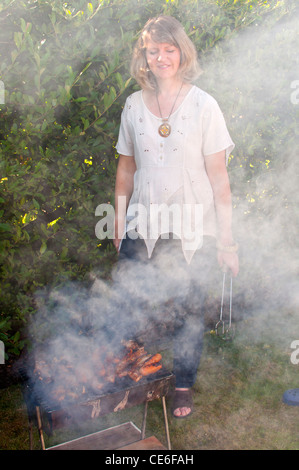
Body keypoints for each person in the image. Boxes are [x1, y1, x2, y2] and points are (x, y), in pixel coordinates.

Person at [113, 15, 239, 418]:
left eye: (169, 49)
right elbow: (125, 170)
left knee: (188, 308)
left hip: (191, 226)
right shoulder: (133, 105)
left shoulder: (205, 104)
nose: (162, 57)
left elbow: (219, 178)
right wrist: (118, 223)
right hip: (142, 222)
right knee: (131, 302)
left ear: (182, 53)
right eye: (154, 51)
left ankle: (182, 383)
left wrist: (226, 241)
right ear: (144, 57)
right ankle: (135, 375)